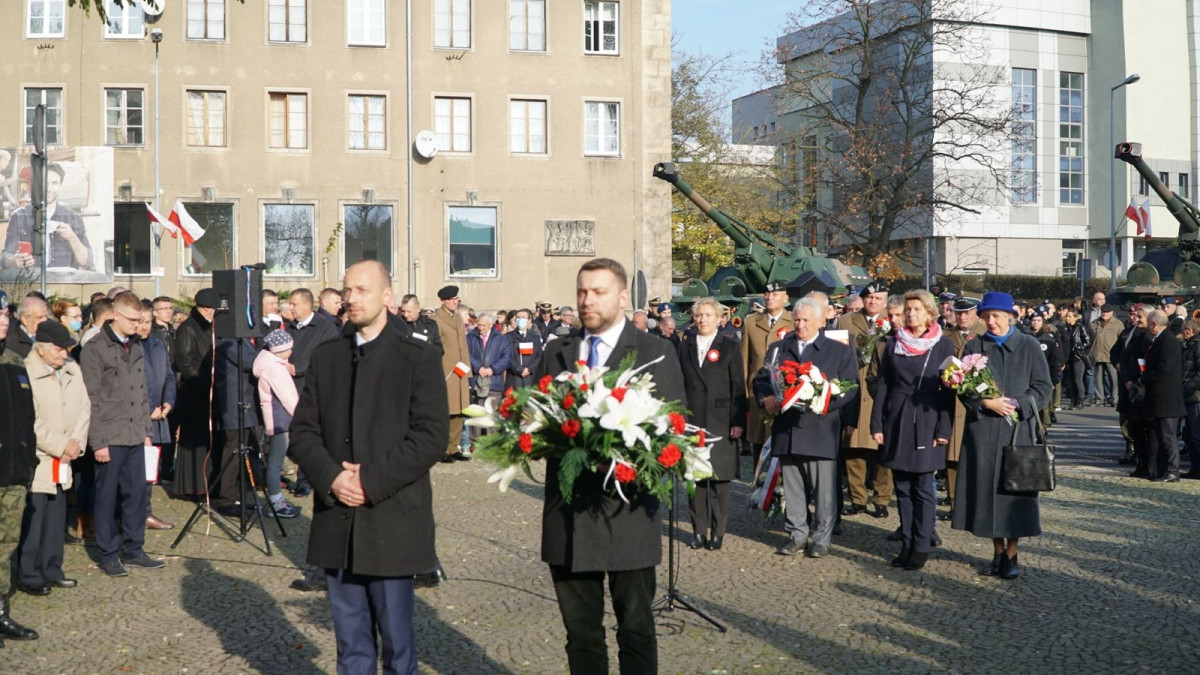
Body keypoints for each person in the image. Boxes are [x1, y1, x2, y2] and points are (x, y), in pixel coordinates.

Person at [289, 260, 448, 675]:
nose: (351, 298)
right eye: (347, 290)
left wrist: (369, 480)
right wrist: (333, 478)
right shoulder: (327, 356)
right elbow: (302, 432)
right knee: (351, 648)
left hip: (392, 520)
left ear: (387, 296)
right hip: (337, 520)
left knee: (397, 647)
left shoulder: (418, 357)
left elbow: (431, 436)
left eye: (362, 289)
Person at [535, 257, 684, 675]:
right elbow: (537, 419)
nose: (587, 300)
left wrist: (621, 457)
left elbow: (673, 431)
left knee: (635, 630)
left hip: (628, 513)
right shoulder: (557, 351)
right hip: (568, 515)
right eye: (582, 292)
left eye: (598, 292)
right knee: (580, 635)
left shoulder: (655, 351)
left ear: (622, 297)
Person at [953, 291, 1052, 580]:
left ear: (1010, 316)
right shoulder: (975, 345)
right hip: (983, 432)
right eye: (986, 317)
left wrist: (1018, 403)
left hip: (1017, 432)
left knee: (1014, 494)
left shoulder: (1029, 345)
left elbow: (1043, 387)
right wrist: (984, 403)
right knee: (987, 492)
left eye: (996, 316)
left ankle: (1012, 554)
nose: (991, 322)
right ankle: (997, 551)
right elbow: (962, 386)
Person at [754, 297, 859, 559]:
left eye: (806, 320)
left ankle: (822, 538)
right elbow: (762, 379)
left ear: (821, 321)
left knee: (824, 491)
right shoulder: (779, 348)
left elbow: (850, 386)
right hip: (787, 429)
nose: (800, 325)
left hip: (820, 428)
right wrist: (766, 398)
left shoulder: (838, 350)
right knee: (792, 488)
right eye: (797, 319)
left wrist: (823, 400)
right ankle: (796, 535)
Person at [81, 292, 165, 577]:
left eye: (140, 320)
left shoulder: (136, 346)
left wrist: (146, 433)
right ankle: (108, 554)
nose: (137, 325)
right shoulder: (95, 349)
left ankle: (134, 550)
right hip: (110, 435)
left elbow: (141, 394)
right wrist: (98, 442)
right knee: (106, 498)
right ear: (115, 315)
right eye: (132, 320)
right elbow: (91, 399)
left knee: (136, 494)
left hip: (135, 435)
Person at [870, 290, 954, 570]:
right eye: (908, 309)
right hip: (897, 417)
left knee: (923, 486)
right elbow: (883, 384)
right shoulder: (894, 342)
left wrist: (944, 429)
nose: (911, 314)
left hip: (927, 418)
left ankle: (921, 544)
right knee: (902, 485)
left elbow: (948, 390)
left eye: (917, 309)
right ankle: (906, 542)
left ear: (930, 312)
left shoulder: (943, 345)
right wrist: (877, 423)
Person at [17, 321, 88, 595]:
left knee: (57, 517)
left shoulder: (71, 368)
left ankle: (52, 568)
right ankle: (29, 574)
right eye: (58, 349)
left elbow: (84, 407)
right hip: (40, 458)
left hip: (66, 459)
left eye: (65, 349)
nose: (63, 354)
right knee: (35, 519)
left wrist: (76, 443)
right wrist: (61, 445)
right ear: (42, 348)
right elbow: (29, 420)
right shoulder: (26, 371)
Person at [678, 297, 745, 551]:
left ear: (719, 319)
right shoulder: (684, 346)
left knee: (719, 480)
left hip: (721, 421)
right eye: (698, 315)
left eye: (707, 315)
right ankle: (698, 531)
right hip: (692, 421)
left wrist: (738, 421)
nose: (702, 320)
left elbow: (738, 386)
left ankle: (717, 533)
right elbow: (678, 382)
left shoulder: (729, 346)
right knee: (695, 480)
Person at [838, 279, 893, 520]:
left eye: (878, 298)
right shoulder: (846, 321)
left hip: (880, 390)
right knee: (853, 449)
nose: (873, 301)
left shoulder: (893, 322)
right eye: (869, 297)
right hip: (854, 388)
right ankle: (858, 499)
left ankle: (881, 499)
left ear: (885, 302)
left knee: (882, 450)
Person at [0, 331, 40, 644]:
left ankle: (0, 611)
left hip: (14, 470)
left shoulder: (14, 361)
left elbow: (28, 416)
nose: (3, 321)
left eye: (4, 315)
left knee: (5, 544)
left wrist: (29, 458)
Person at [1, 163, 95, 272]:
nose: (49, 188)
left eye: (54, 183)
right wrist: (14, 260)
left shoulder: (74, 218)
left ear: (60, 185)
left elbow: (87, 262)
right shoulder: (19, 217)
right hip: (32, 278)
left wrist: (72, 237)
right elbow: (5, 259)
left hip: (64, 280)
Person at [172, 288, 218, 499]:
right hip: (196, 393)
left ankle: (208, 482)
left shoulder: (211, 327)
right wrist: (204, 384)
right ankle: (193, 486)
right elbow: (186, 361)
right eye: (210, 308)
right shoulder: (188, 328)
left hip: (210, 391)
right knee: (194, 441)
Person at [741, 281, 794, 459]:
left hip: (786, 392)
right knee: (759, 444)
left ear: (785, 298)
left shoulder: (794, 321)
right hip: (758, 395)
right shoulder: (750, 322)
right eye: (767, 293)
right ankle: (759, 477)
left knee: (783, 444)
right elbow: (744, 361)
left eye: (775, 294)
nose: (769, 297)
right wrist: (745, 395)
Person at [253, 329, 302, 518]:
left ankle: (276, 501)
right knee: (275, 462)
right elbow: (288, 397)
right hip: (280, 419)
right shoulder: (275, 369)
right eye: (289, 348)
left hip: (277, 418)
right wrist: (300, 417)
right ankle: (276, 504)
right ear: (280, 350)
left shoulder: (272, 365)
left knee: (275, 461)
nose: (291, 351)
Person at [136, 306, 175, 531]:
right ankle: (137, 513)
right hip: (138, 417)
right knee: (137, 469)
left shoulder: (158, 345)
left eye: (148, 322)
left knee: (151, 467)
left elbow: (168, 376)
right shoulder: (129, 347)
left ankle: (145, 512)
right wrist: (148, 408)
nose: (144, 326)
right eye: (140, 321)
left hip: (159, 416)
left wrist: (168, 401)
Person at [1134, 310, 1185, 482]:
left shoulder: (1168, 340)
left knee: (1168, 436)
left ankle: (1172, 470)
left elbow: (1164, 367)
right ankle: (1164, 469)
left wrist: (1144, 378)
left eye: (1149, 323)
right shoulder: (1161, 339)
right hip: (1160, 396)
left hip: (1167, 397)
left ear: (1154, 324)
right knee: (1162, 435)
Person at [432, 285, 471, 463]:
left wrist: (467, 371)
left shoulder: (458, 318)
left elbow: (463, 346)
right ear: (443, 300)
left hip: (460, 371)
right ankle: (442, 449)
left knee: (459, 412)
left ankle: (454, 447)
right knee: (445, 412)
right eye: (452, 299)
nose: (456, 302)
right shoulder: (435, 319)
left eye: (457, 299)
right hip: (446, 372)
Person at [466, 312, 511, 453]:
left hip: (494, 380)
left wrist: (492, 369)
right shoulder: (470, 337)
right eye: (479, 325)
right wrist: (478, 368)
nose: (481, 328)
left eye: (484, 325)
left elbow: (506, 357)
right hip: (476, 378)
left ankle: (492, 441)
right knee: (476, 411)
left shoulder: (501, 339)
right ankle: (475, 442)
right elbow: (467, 354)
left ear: (491, 325)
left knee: (492, 412)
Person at [1113, 305, 1150, 470]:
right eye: (1133, 315)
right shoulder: (1127, 333)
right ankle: (1130, 448)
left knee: (1141, 422)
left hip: (1141, 385)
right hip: (1126, 382)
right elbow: (1117, 353)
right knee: (1126, 419)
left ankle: (1141, 455)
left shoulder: (1149, 335)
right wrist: (1120, 367)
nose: (1134, 318)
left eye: (1138, 315)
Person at [1027, 312, 1064, 429]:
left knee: (1044, 404)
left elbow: (1055, 360)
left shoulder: (1048, 338)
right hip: (1028, 375)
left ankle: (1043, 427)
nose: (1035, 323)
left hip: (1044, 375)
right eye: (1033, 320)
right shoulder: (1025, 337)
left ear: (1043, 322)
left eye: (1038, 320)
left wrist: (1055, 379)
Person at [1090, 304, 1123, 407]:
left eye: (1107, 312)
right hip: (1097, 354)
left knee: (1113, 379)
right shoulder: (1094, 323)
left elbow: (1121, 341)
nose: (1104, 314)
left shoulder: (1118, 324)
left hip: (1110, 356)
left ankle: (1115, 399)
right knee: (1097, 379)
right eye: (1103, 311)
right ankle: (1099, 399)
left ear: (1111, 313)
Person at [1180, 319, 1200, 479]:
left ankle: (1198, 468)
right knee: (1190, 434)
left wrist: (1186, 387)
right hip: (1189, 395)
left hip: (1195, 396)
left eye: (1184, 330)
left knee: (1195, 434)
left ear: (1190, 331)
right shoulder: (1189, 345)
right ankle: (1195, 467)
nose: (1182, 333)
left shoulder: (1197, 346)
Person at [1061, 309, 1092, 409]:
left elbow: (1088, 341)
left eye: (1070, 316)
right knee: (1071, 380)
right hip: (1069, 357)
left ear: (1075, 317)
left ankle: (1080, 401)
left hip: (1078, 357)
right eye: (1067, 316)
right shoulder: (1067, 328)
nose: (1067, 318)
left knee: (1078, 379)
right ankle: (1073, 401)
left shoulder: (1080, 327)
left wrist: (1079, 347)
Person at [505, 308, 543, 389]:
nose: (520, 320)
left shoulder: (535, 338)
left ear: (529, 320)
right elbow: (506, 356)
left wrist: (530, 369)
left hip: (530, 378)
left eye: (523, 317)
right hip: (514, 378)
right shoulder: (508, 337)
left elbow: (539, 356)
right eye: (518, 318)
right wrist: (518, 369)